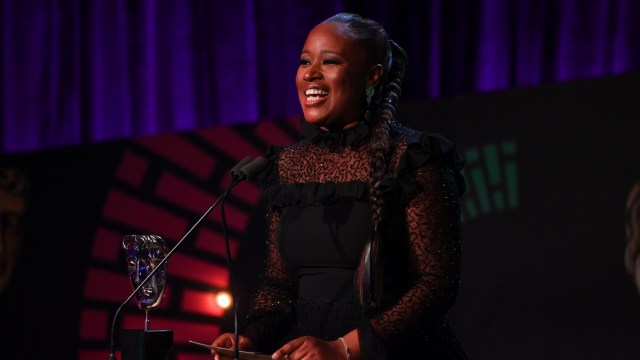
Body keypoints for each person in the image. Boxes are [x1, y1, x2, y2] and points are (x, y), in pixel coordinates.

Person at [212, 12, 467, 359]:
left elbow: (437, 284)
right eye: (305, 61)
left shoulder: (414, 157)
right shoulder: (287, 165)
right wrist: (250, 337)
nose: (310, 74)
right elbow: (279, 284)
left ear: (372, 76)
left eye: (330, 62)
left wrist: (346, 348)